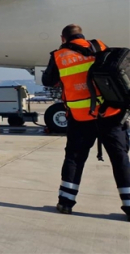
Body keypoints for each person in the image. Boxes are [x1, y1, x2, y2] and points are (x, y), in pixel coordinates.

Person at [41, 24, 130, 221]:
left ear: (63, 38)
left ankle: (65, 203)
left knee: (74, 158)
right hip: (110, 113)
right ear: (82, 35)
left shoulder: (58, 56)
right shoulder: (98, 46)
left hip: (80, 118)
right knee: (120, 159)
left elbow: (48, 81)